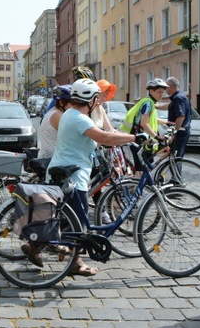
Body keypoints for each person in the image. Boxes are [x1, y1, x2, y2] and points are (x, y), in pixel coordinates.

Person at [37, 79, 140, 276]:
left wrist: (117, 136)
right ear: (91, 100)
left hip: (63, 170)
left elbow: (100, 136)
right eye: (97, 99)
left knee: (64, 219)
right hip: (73, 175)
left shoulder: (70, 114)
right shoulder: (79, 118)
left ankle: (36, 246)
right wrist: (134, 137)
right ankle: (74, 262)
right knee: (76, 224)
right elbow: (104, 138)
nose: (98, 103)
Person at [38, 84, 72, 159]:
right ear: (62, 102)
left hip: (49, 158)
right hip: (54, 161)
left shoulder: (53, 111)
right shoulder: (58, 116)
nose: (75, 106)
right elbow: (75, 137)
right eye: (72, 103)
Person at [164, 77, 191, 158]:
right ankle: (174, 170)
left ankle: (176, 171)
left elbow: (181, 117)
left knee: (176, 158)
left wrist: (173, 133)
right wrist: (155, 106)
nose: (165, 90)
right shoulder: (178, 97)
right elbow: (169, 106)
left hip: (180, 132)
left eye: (166, 88)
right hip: (180, 131)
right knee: (173, 156)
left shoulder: (178, 98)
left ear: (171, 87)